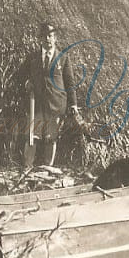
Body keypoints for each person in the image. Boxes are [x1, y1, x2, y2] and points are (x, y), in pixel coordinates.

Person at [19, 22, 78, 166]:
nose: (47, 39)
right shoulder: (32, 58)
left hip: (55, 104)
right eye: (44, 36)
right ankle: (27, 167)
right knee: (32, 136)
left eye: (50, 36)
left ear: (55, 38)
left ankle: (47, 168)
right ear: (40, 39)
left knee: (51, 138)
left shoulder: (63, 58)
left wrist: (73, 103)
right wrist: (27, 82)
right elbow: (20, 75)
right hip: (36, 104)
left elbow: (69, 83)